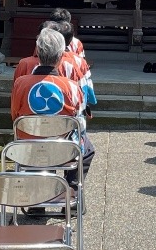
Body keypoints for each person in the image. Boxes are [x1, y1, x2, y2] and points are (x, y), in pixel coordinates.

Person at [10, 27, 95, 189]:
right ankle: (72, 191)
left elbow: (15, 116)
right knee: (87, 149)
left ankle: (36, 199)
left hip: (29, 147)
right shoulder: (72, 87)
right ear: (61, 56)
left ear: (38, 53)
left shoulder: (20, 84)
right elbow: (77, 121)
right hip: (62, 148)